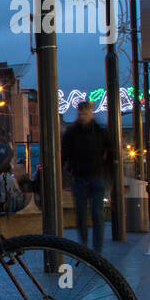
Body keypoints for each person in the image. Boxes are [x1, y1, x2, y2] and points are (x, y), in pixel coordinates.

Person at [61, 100, 111, 253]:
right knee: (82, 214)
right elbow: (64, 154)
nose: (83, 116)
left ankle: (96, 249)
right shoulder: (72, 134)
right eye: (81, 113)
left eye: (86, 113)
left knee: (96, 213)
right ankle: (85, 246)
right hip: (80, 177)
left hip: (95, 176)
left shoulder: (100, 132)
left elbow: (109, 154)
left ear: (91, 113)